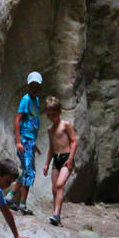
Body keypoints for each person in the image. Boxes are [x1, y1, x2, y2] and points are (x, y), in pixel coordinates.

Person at [6, 71, 43, 215]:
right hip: (25, 140)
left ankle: (10, 197)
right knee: (29, 172)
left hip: (31, 141)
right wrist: (18, 141)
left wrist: (35, 145)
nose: (34, 89)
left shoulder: (37, 101)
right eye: (32, 86)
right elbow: (17, 120)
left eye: (37, 86)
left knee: (27, 171)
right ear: (28, 86)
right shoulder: (26, 99)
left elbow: (33, 122)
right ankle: (22, 204)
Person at [42, 96, 77, 226]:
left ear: (59, 112)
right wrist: (46, 164)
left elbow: (74, 141)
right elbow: (51, 148)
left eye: (53, 114)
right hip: (56, 159)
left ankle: (56, 214)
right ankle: (57, 216)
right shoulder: (50, 129)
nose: (51, 117)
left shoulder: (65, 125)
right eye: (49, 115)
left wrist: (71, 158)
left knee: (60, 184)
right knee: (54, 189)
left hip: (66, 157)